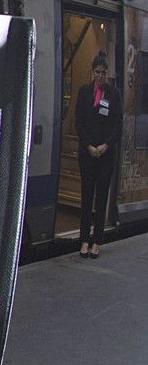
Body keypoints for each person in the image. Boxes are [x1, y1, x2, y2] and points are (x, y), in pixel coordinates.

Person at [75, 51, 120, 258]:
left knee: (101, 198)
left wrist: (105, 146)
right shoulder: (84, 92)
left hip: (105, 155)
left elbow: (117, 125)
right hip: (87, 153)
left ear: (107, 73)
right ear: (92, 72)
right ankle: (84, 240)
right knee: (86, 197)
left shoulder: (113, 95)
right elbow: (79, 123)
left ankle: (97, 242)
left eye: (103, 72)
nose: (100, 76)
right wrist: (88, 146)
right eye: (97, 72)